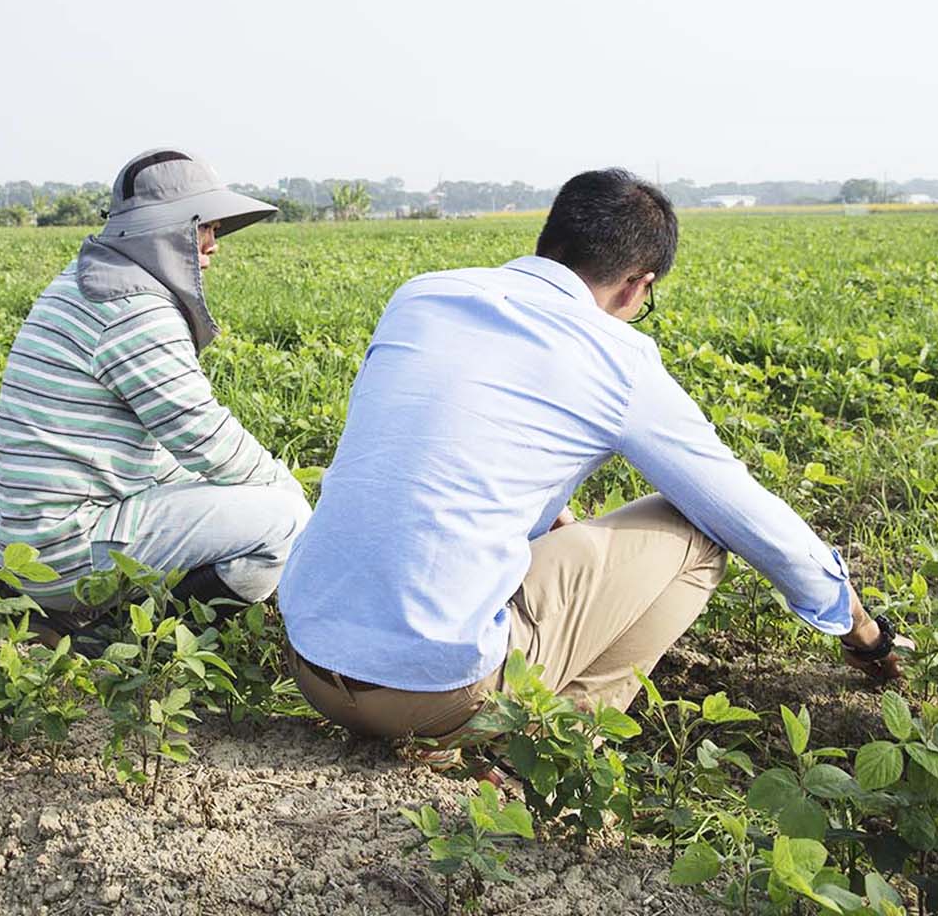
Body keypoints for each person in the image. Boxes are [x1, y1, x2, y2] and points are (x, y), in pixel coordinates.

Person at [277, 168, 903, 750]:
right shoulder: (617, 356)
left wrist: (555, 520)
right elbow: (748, 518)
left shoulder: (422, 297)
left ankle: (513, 722)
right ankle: (552, 741)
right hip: (431, 699)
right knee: (698, 530)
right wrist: (863, 634)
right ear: (638, 285)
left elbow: (450, 448)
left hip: (310, 661)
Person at [0, 149, 311, 624]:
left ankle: (79, 615)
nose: (213, 245)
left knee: (241, 494)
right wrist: (293, 497)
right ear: (168, 230)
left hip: (29, 538)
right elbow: (204, 437)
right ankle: (113, 640)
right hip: (61, 548)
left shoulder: (86, 280)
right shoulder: (134, 307)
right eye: (204, 227)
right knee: (285, 524)